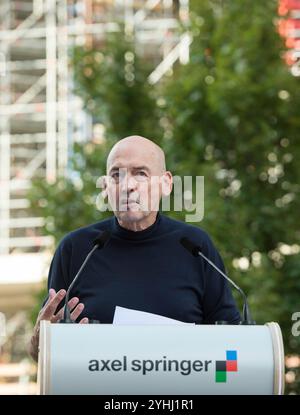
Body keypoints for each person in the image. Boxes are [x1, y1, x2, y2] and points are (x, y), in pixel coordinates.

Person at [29, 135, 240, 362]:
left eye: (141, 173)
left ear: (166, 184)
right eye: (116, 175)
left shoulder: (195, 247)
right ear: (105, 187)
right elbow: (42, 355)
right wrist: (40, 341)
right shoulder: (77, 249)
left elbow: (233, 347)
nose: (128, 186)